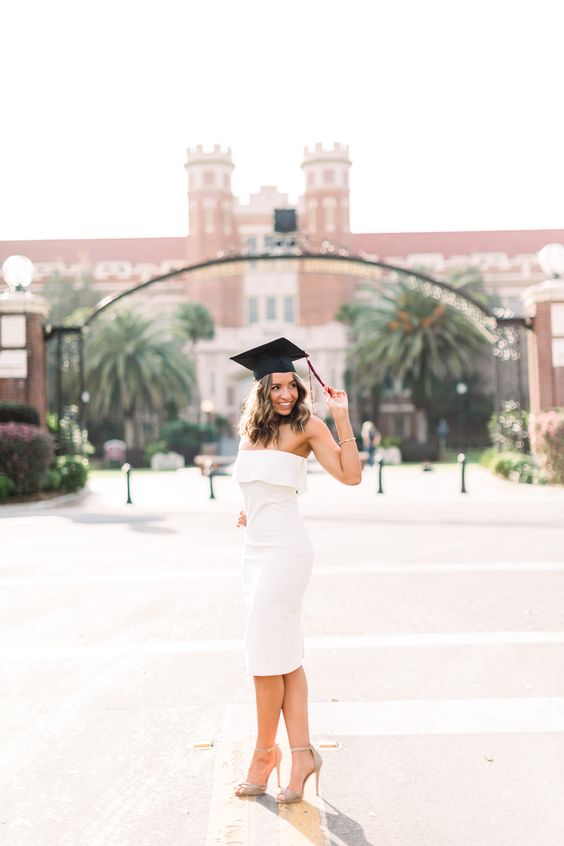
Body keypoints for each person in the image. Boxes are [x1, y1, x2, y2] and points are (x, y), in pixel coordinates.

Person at [229, 337, 361, 804]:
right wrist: (250, 510)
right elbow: (258, 485)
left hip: (287, 550)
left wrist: (341, 418)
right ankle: (300, 753)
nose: (286, 394)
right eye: (277, 386)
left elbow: (350, 475)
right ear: (261, 389)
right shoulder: (249, 430)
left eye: (292, 385)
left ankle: (266, 753)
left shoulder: (308, 425)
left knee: (264, 656)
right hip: (255, 549)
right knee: (281, 655)